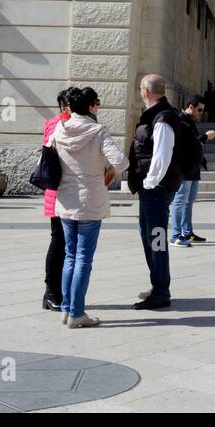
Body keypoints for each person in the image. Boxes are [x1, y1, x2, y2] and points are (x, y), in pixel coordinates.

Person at [50, 86, 128, 328]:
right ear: (91, 107)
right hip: (91, 201)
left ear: (70, 107)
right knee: (83, 258)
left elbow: (49, 153)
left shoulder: (58, 129)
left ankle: (66, 309)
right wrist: (109, 169)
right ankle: (76, 312)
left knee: (70, 256)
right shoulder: (97, 131)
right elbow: (121, 161)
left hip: (65, 199)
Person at [127, 74, 180, 310]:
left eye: (140, 88)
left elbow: (162, 154)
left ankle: (161, 291)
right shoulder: (155, 114)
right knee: (148, 236)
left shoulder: (163, 117)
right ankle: (157, 283)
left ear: (145, 91)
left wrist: (150, 182)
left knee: (157, 238)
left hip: (156, 188)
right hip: (150, 188)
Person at [41, 89, 72, 312]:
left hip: (62, 192)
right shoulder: (58, 124)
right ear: (64, 107)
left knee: (63, 243)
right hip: (58, 193)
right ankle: (51, 292)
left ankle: (56, 292)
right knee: (59, 242)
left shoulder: (63, 122)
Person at [170, 95, 211, 247]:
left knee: (189, 202)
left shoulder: (190, 121)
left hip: (193, 168)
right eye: (199, 109)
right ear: (191, 107)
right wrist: (205, 137)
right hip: (184, 168)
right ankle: (176, 234)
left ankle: (187, 232)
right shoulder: (181, 120)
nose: (201, 113)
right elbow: (187, 144)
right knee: (180, 201)